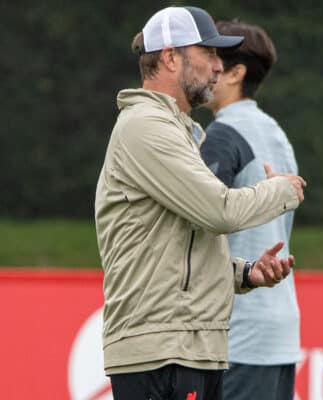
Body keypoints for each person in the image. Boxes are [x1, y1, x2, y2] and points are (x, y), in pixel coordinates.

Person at [94, 6, 307, 400]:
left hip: (186, 348)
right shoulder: (147, 126)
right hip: (162, 351)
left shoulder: (177, 130)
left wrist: (245, 273)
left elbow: (177, 250)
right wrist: (284, 190)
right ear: (171, 57)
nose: (216, 67)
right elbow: (219, 210)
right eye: (208, 53)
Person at [199, 20, 301, 400]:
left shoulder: (221, 136)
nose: (206, 68)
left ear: (237, 72)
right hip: (279, 331)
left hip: (238, 334)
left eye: (214, 58)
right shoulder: (276, 131)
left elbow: (198, 227)